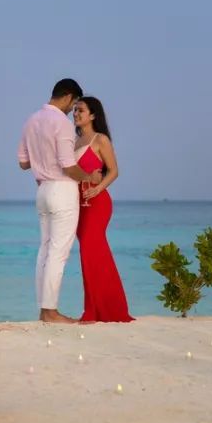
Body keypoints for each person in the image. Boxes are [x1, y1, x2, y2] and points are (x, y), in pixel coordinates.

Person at [17, 78, 102, 324]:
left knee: (44, 250)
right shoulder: (61, 123)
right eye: (73, 104)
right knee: (58, 253)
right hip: (62, 190)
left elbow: (23, 163)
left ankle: (43, 310)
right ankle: (51, 312)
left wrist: (41, 158)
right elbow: (68, 166)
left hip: (42, 191)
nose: (71, 109)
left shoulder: (31, 120)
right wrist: (89, 177)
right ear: (67, 97)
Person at [72, 96, 134, 322]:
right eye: (75, 110)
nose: (76, 114)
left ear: (93, 115)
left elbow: (114, 171)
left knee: (93, 251)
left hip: (97, 202)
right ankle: (94, 308)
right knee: (88, 255)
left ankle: (107, 309)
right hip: (79, 203)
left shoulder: (100, 139)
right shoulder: (74, 142)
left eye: (80, 110)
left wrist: (97, 189)